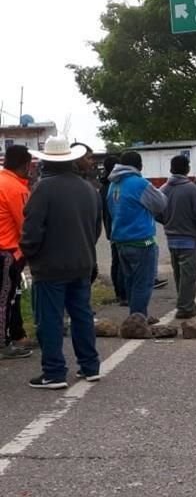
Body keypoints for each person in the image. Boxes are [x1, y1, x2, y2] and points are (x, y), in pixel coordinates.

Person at [21, 138, 101, 389]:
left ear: (47, 160)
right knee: (82, 316)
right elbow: (96, 228)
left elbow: (32, 230)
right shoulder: (88, 188)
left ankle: (54, 372)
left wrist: (30, 254)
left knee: (51, 320)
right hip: (82, 262)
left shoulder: (44, 189)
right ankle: (90, 366)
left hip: (51, 266)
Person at [107, 151, 167, 318]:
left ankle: (137, 315)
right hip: (141, 241)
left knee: (130, 281)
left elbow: (112, 211)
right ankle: (138, 318)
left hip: (120, 240)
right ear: (139, 165)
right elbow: (161, 203)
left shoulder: (114, 184)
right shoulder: (139, 183)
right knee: (143, 282)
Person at [159, 155, 196, 319]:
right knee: (189, 275)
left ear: (171, 169)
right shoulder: (191, 188)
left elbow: (156, 211)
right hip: (189, 237)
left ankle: (188, 302)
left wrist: (166, 221)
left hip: (171, 238)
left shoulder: (164, 188)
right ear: (187, 169)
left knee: (179, 274)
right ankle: (185, 307)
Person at [0, 145, 32, 360]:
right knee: (5, 300)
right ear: (27, 164)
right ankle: (3, 344)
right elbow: (26, 226)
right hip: (7, 251)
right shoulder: (16, 188)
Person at [98, 155, 126, 306]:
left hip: (111, 228)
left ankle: (119, 293)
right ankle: (123, 294)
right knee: (121, 263)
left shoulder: (104, 186)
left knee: (116, 262)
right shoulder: (115, 185)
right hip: (119, 228)